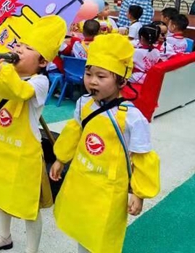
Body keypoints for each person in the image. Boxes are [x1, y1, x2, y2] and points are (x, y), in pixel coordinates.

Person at [50, 34, 160, 253]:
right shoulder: (84, 103)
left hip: (109, 189)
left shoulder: (132, 117)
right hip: (81, 179)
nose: (92, 81)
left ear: (122, 80)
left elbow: (142, 156)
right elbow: (75, 132)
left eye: (101, 76)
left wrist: (138, 193)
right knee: (82, 227)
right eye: (89, 73)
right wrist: (60, 159)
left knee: (102, 237)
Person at [0, 15, 67, 253]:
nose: (19, 50)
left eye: (28, 48)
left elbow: (17, 91)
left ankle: (31, 250)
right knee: (1, 195)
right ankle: (3, 236)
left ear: (43, 61)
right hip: (2, 148)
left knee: (27, 208)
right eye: (20, 45)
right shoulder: (6, 73)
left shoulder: (39, 82)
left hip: (25, 156)